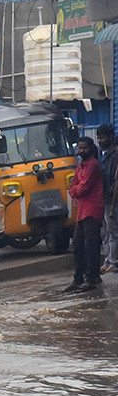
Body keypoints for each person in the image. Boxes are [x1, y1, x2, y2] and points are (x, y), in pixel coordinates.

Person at [64, 136, 104, 294]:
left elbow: (82, 188)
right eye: (79, 148)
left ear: (91, 148)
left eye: (84, 148)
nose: (81, 151)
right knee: (78, 245)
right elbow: (74, 185)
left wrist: (74, 191)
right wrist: (74, 190)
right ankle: (79, 278)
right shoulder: (82, 165)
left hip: (92, 210)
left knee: (91, 246)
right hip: (82, 211)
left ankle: (91, 278)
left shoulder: (93, 165)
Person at [96, 125, 118, 273]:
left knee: (112, 231)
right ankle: (107, 259)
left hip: (112, 200)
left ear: (110, 137)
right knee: (104, 232)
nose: (100, 141)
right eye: (98, 138)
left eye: (103, 137)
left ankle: (113, 261)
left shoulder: (114, 156)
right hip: (102, 198)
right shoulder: (101, 155)